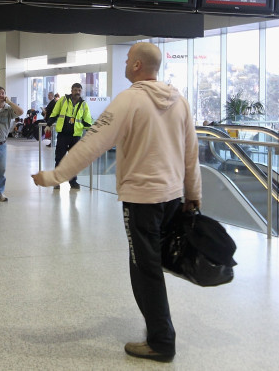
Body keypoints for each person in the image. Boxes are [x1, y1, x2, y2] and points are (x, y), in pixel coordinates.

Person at [32, 43, 201, 363]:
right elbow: (191, 152)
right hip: (171, 197)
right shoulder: (179, 101)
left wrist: (56, 176)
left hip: (142, 199)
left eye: (127, 59)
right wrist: (193, 194)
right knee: (151, 265)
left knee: (144, 269)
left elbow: (91, 144)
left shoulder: (128, 100)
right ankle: (159, 334)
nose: (124, 62)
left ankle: (161, 341)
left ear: (138, 66)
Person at [45, 83, 93, 190]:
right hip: (63, 134)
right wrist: (48, 124)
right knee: (59, 158)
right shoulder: (62, 100)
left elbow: (87, 119)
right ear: (71, 90)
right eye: (75, 90)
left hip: (76, 135)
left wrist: (91, 129)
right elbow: (54, 113)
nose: (77, 92)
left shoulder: (84, 104)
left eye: (79, 90)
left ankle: (73, 182)